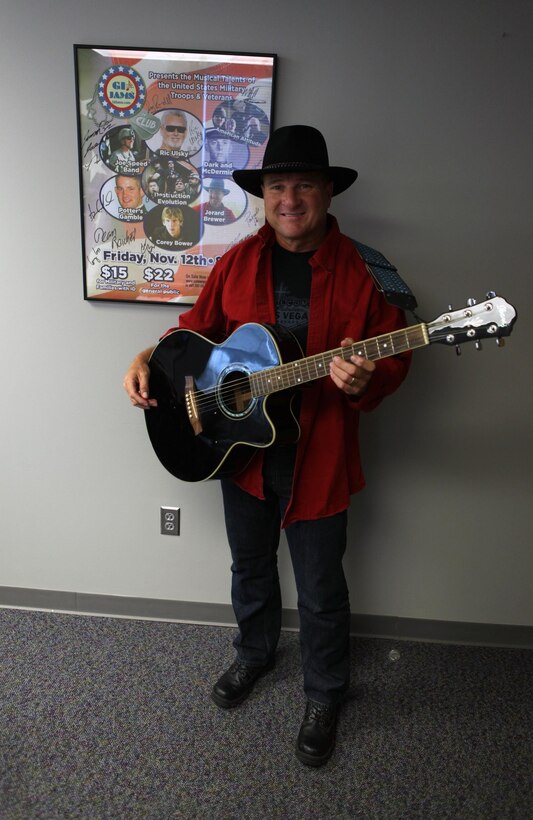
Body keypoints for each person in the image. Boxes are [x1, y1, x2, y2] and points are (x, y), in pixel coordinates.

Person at [123, 125, 411, 767]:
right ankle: (253, 656)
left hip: (321, 458)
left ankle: (325, 692)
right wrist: (146, 356)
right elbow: (191, 340)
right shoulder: (237, 261)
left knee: (321, 588)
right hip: (240, 454)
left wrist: (368, 378)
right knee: (248, 568)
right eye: (277, 185)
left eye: (303, 184)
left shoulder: (367, 270)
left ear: (327, 192)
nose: (289, 198)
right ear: (263, 195)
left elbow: (393, 358)